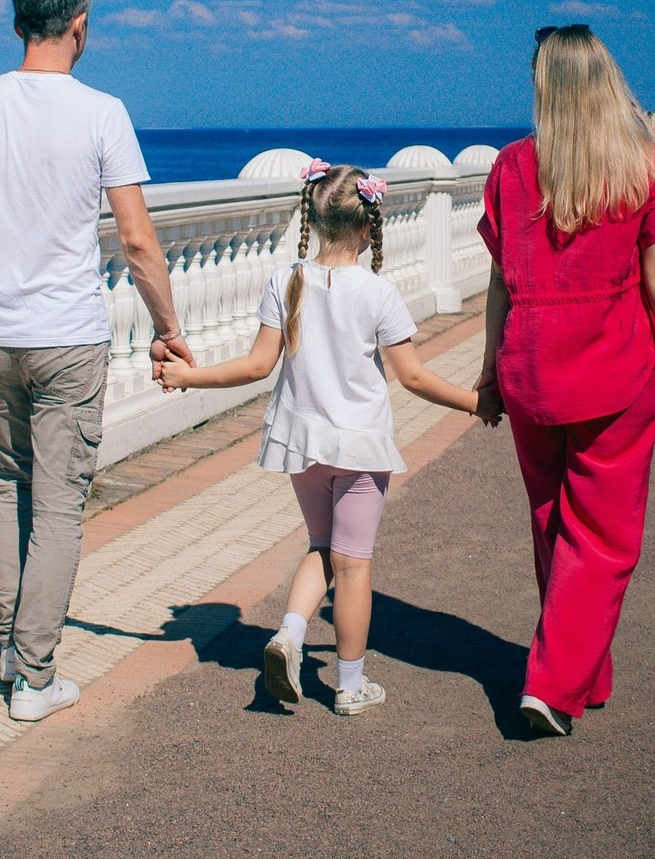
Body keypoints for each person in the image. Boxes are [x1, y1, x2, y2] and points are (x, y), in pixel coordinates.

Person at [0, 0, 194, 723]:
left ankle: (14, 649)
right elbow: (138, 241)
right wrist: (169, 329)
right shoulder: (102, 112)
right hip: (67, 338)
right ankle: (36, 677)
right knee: (59, 505)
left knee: (10, 487)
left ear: (18, 25)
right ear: (80, 25)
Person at [160, 160, 498, 715]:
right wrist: (475, 403)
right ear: (369, 226)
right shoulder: (378, 294)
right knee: (354, 565)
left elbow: (255, 367)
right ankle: (349, 684)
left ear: (313, 220)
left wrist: (187, 375)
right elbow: (412, 376)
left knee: (322, 548)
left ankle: (289, 635)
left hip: (302, 444)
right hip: (360, 447)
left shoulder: (286, 280)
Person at [476, 24, 655, 737]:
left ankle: (582, 672)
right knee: (603, 536)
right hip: (612, 363)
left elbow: (501, 283)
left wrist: (488, 369)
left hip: (532, 364)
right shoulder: (644, 165)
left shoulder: (512, 167)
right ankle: (553, 686)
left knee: (553, 523)